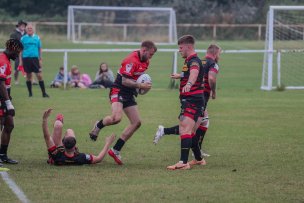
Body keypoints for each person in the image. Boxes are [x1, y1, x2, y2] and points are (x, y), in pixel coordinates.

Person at [89, 40, 157, 165]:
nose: (151, 57)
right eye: (150, 54)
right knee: (116, 118)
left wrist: (141, 87)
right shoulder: (131, 60)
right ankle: (98, 125)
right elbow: (125, 81)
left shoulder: (146, 61)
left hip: (129, 93)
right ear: (144, 50)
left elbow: (136, 78)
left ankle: (115, 150)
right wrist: (141, 85)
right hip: (118, 89)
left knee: (136, 123)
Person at [153, 44, 221, 160]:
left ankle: (197, 153)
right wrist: (213, 91)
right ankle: (166, 132)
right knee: (191, 128)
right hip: (200, 96)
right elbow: (211, 78)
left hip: (194, 95)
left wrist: (180, 75)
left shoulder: (200, 61)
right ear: (215, 54)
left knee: (203, 122)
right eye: (220, 53)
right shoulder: (213, 64)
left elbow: (193, 73)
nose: (220, 56)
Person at [165, 35, 206, 170]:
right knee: (189, 131)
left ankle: (183, 162)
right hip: (192, 99)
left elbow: (194, 73)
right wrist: (181, 76)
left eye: (181, 48)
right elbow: (191, 72)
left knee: (185, 129)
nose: (179, 50)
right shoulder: (189, 60)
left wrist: (189, 83)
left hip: (192, 99)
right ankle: (199, 159)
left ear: (189, 47)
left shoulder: (193, 61)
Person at [42, 108, 116, 165]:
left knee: (58, 125)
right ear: (75, 147)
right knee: (69, 130)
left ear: (63, 145)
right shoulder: (81, 157)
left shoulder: (56, 154)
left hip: (59, 150)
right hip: (67, 150)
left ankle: (59, 121)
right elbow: (99, 158)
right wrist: (108, 143)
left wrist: (44, 119)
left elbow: (47, 136)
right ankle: (60, 124)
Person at [0, 39, 24, 166]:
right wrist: (8, 103)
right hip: (1, 99)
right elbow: (1, 84)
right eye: (17, 52)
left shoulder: (7, 60)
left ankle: (3, 155)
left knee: (9, 125)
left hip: (4, 98)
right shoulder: (2, 61)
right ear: (12, 48)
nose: (18, 55)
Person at [19, 23, 49, 97]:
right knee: (28, 76)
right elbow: (20, 50)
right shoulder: (23, 38)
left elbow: (39, 48)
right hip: (26, 58)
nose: (29, 30)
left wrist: (40, 58)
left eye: (31, 28)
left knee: (39, 75)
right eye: (28, 28)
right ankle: (30, 93)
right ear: (26, 29)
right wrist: (20, 61)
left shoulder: (37, 38)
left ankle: (44, 93)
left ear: (33, 30)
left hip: (35, 59)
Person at [10, 20, 27, 85]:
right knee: (17, 68)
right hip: (17, 53)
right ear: (18, 26)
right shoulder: (14, 34)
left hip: (26, 53)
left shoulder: (26, 33)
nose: (23, 26)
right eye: (22, 25)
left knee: (28, 66)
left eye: (24, 25)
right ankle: (16, 80)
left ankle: (31, 80)